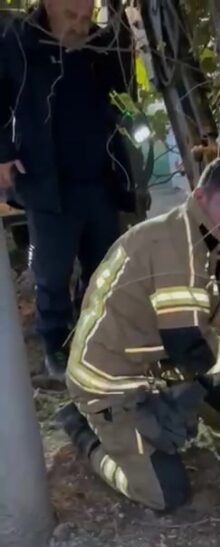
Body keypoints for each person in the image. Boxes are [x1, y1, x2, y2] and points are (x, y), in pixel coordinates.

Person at [58, 158, 220, 511]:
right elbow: (192, 349)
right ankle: (83, 432)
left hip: (153, 362)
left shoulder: (206, 231)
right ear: (200, 197)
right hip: (109, 382)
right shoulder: (178, 250)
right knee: (166, 494)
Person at [0, 0, 136, 380]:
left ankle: (93, 334)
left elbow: (123, 86)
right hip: (48, 182)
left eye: (85, 18)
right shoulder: (18, 41)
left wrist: (121, 27)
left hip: (99, 177)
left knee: (104, 267)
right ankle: (55, 343)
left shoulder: (98, 44)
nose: (79, 26)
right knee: (52, 271)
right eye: (71, 17)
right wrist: (3, 154)